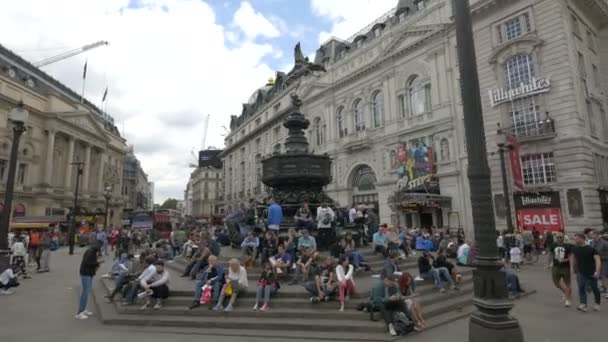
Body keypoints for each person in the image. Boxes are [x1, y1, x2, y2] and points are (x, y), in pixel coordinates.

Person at [571, 232, 601, 312]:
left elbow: (597, 260)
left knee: (595, 289)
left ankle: (597, 304)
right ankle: (583, 304)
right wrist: (573, 268)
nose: (575, 240)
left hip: (591, 272)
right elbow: (574, 259)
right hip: (580, 272)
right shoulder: (575, 248)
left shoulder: (591, 249)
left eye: (576, 238)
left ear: (582, 239)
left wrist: (597, 271)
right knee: (581, 288)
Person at [76, 243, 102, 319]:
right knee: (85, 292)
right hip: (86, 274)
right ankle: (79, 313)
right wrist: (97, 263)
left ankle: (83, 309)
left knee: (87, 291)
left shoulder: (90, 251)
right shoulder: (91, 253)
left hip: (88, 273)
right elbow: (88, 263)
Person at [548, 231, 573, 307]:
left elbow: (571, 257)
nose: (559, 238)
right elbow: (551, 255)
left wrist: (570, 265)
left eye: (560, 237)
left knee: (567, 283)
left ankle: (568, 300)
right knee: (556, 283)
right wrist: (549, 263)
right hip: (556, 267)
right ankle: (566, 292)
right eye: (557, 237)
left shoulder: (568, 246)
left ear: (564, 237)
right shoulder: (553, 245)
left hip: (565, 267)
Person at [589, 230, 608, 297]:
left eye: (591, 234)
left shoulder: (605, 243)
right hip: (595, 262)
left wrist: (601, 256)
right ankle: (602, 289)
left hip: (604, 262)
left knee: (603, 276)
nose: (590, 235)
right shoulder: (592, 242)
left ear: (596, 234)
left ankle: (607, 291)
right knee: (597, 275)